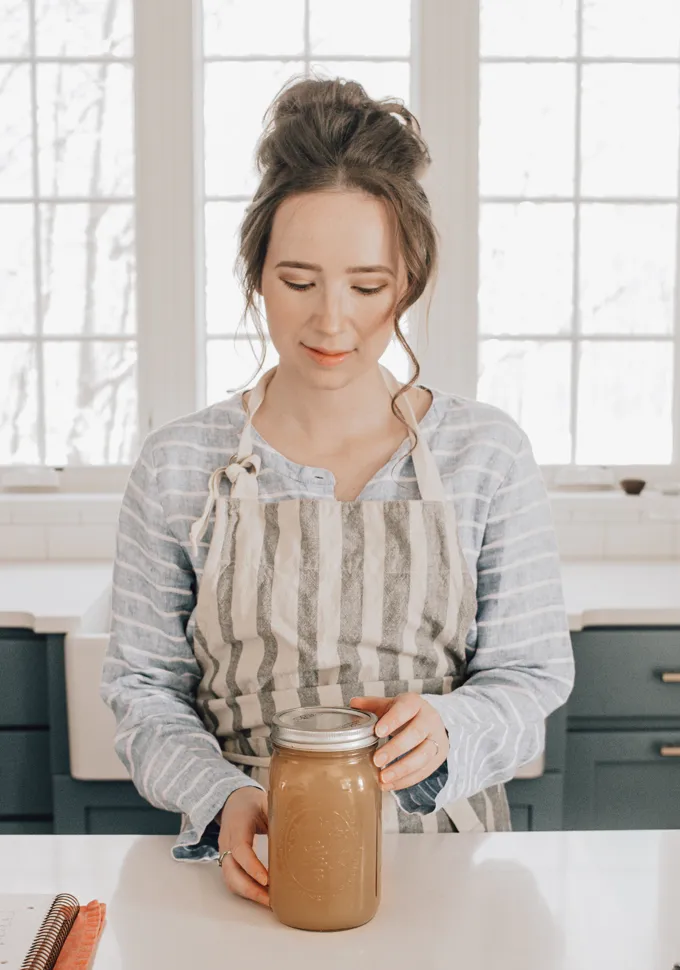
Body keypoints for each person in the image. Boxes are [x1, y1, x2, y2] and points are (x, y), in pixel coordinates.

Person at [101, 75, 574, 909]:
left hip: (443, 872)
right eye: (297, 281)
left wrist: (451, 727)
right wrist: (224, 801)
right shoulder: (179, 465)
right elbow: (143, 688)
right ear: (255, 275)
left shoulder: (486, 455)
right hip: (251, 862)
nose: (330, 322)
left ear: (410, 282)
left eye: (366, 286)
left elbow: (530, 675)